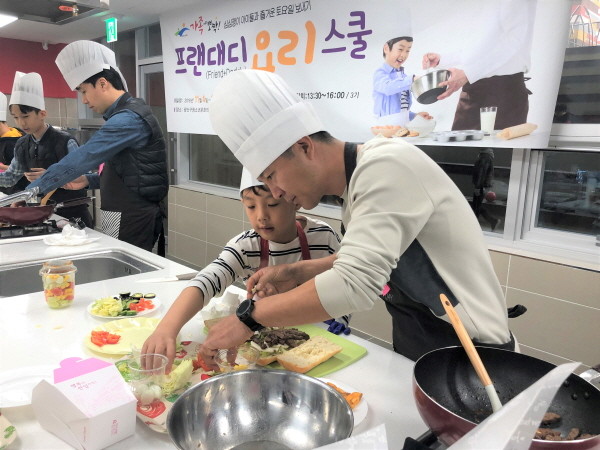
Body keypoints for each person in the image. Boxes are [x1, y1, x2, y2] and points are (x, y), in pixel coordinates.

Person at [200, 69, 516, 365]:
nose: (276, 192)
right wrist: (298, 271)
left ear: (304, 147)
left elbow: (354, 284)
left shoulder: (386, 166)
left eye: (271, 176)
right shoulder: (356, 186)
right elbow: (374, 258)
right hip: (421, 349)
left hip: (475, 354)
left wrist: (250, 317)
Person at [142, 168, 344, 370]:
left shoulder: (323, 237)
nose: (261, 216)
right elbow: (207, 281)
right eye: (251, 206)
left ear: (295, 200)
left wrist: (340, 319)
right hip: (266, 344)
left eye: (272, 204)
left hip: (320, 340)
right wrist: (167, 328)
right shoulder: (245, 246)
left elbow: (346, 282)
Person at [25, 40, 168, 252]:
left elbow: (85, 155)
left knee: (122, 270)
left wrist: (30, 192)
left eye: (83, 91)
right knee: (115, 266)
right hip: (119, 211)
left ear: (102, 84)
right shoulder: (120, 115)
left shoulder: (129, 118)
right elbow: (129, 171)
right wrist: (88, 180)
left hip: (133, 214)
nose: (83, 100)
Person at [421, 0, 536, 131]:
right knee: (457, 143)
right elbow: (482, 47)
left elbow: (514, 44)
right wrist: (443, 60)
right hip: (474, 90)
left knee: (495, 144)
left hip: (502, 94)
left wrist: (469, 73)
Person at [0, 72, 92, 227]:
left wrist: (52, 176)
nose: (21, 123)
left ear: (42, 114)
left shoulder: (64, 141)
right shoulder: (22, 144)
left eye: (25, 116)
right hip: (42, 216)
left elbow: (83, 177)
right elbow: (10, 178)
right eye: (16, 117)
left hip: (72, 214)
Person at [373, 36, 432, 126]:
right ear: (386, 48)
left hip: (403, 127)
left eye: (407, 51)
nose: (404, 55)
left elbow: (402, 110)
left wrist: (415, 116)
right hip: (386, 127)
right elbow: (388, 88)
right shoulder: (380, 73)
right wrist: (412, 79)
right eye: (400, 49)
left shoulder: (404, 77)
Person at [0, 92, 27, 195]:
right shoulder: (10, 135)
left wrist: (3, 167)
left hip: (17, 194)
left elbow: (21, 173)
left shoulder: (13, 142)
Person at [471, 148, 499, 232]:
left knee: (476, 207)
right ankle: (493, 221)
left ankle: (474, 227)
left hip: (480, 186)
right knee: (477, 206)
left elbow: (481, 173)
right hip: (482, 186)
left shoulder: (484, 157)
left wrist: (478, 187)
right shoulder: (486, 156)